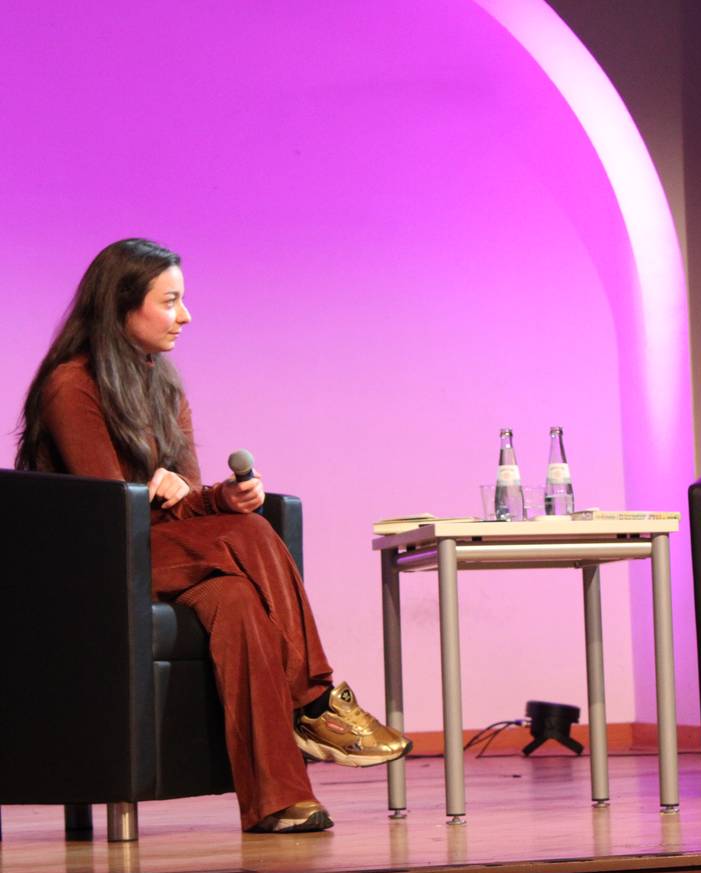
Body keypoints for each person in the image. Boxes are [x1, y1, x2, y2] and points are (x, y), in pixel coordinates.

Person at [15, 239, 411, 833]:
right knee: (247, 536)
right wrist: (166, 493)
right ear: (122, 307)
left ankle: (277, 802)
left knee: (239, 601)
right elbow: (103, 510)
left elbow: (188, 507)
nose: (185, 315)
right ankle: (316, 700)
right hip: (95, 566)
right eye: (170, 301)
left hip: (163, 554)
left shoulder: (163, 388)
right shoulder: (73, 385)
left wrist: (220, 497)